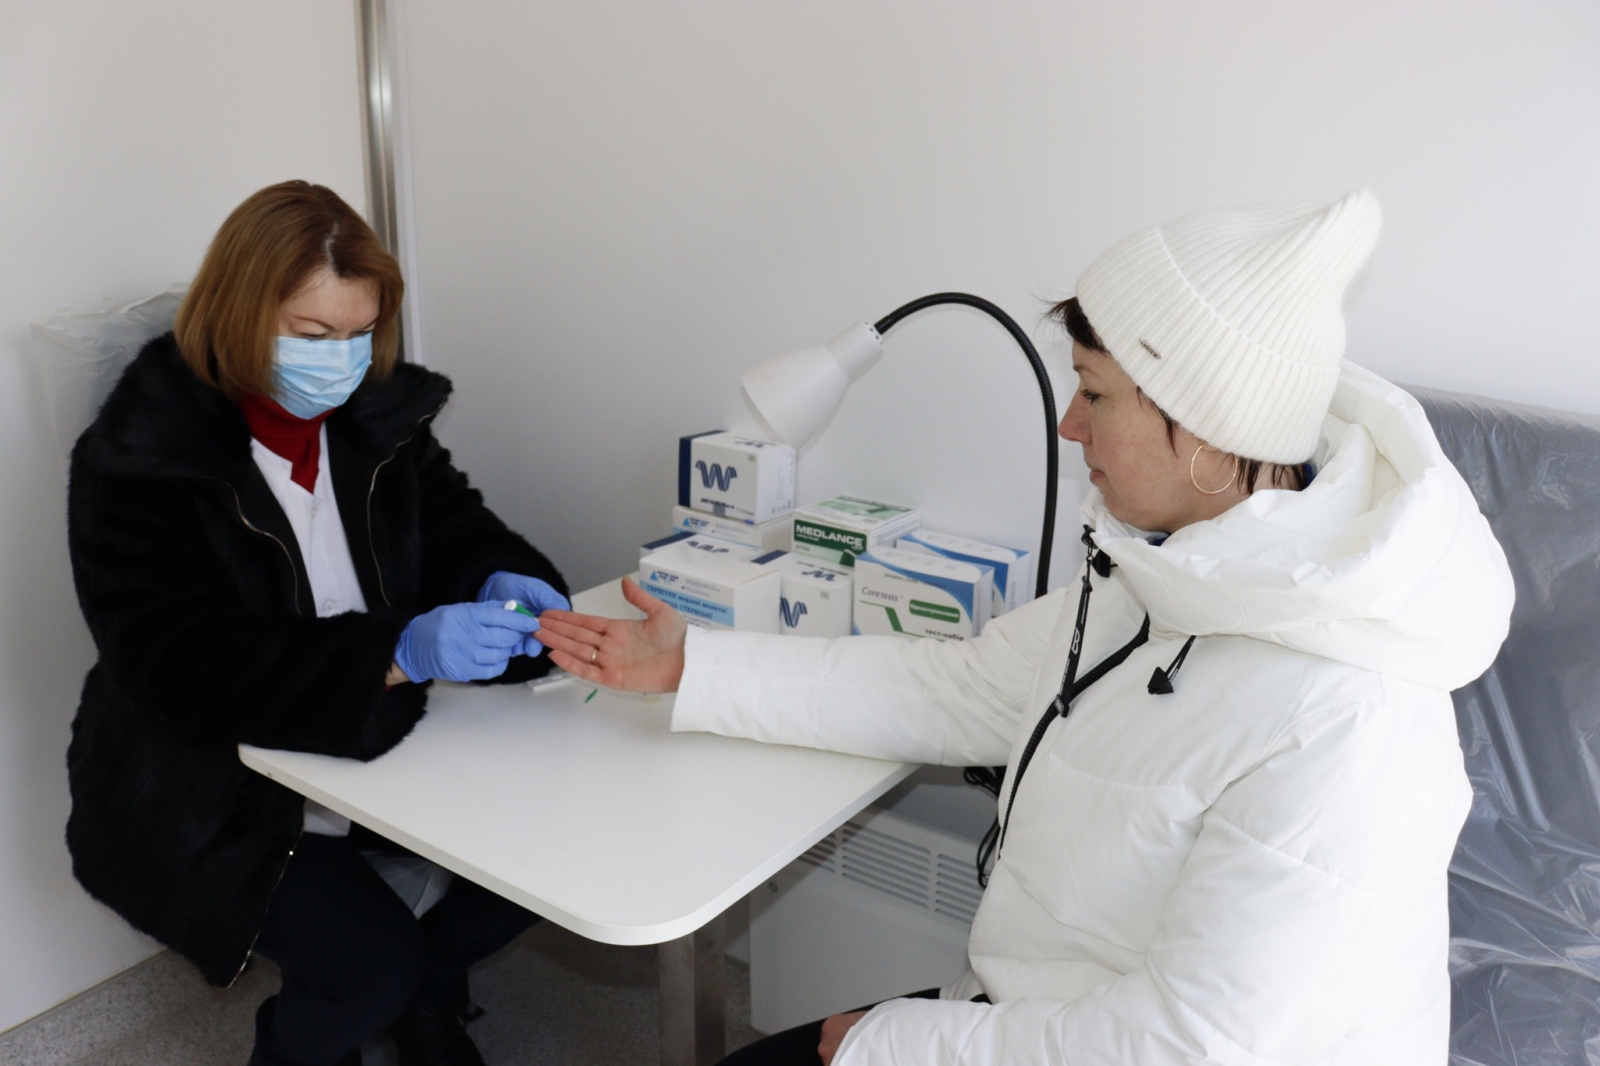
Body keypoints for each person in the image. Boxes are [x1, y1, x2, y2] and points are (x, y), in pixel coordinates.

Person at [537, 190, 1516, 1065]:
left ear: (1210, 436)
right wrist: (696, 666)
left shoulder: (1355, 720)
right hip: (1036, 1014)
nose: (1068, 426)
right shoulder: (1170, 570)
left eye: (1095, 391)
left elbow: (1197, 1045)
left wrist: (899, 1045)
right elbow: (956, 688)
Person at [65, 181, 571, 1066]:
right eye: (311, 335)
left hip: (377, 742)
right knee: (368, 968)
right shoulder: (137, 461)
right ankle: (314, 1035)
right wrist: (391, 656)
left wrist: (502, 578)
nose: (340, 361)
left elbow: (455, 528)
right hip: (209, 784)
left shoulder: (379, 422)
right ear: (237, 316)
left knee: (553, 854)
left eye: (359, 333)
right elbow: (175, 665)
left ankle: (428, 996)